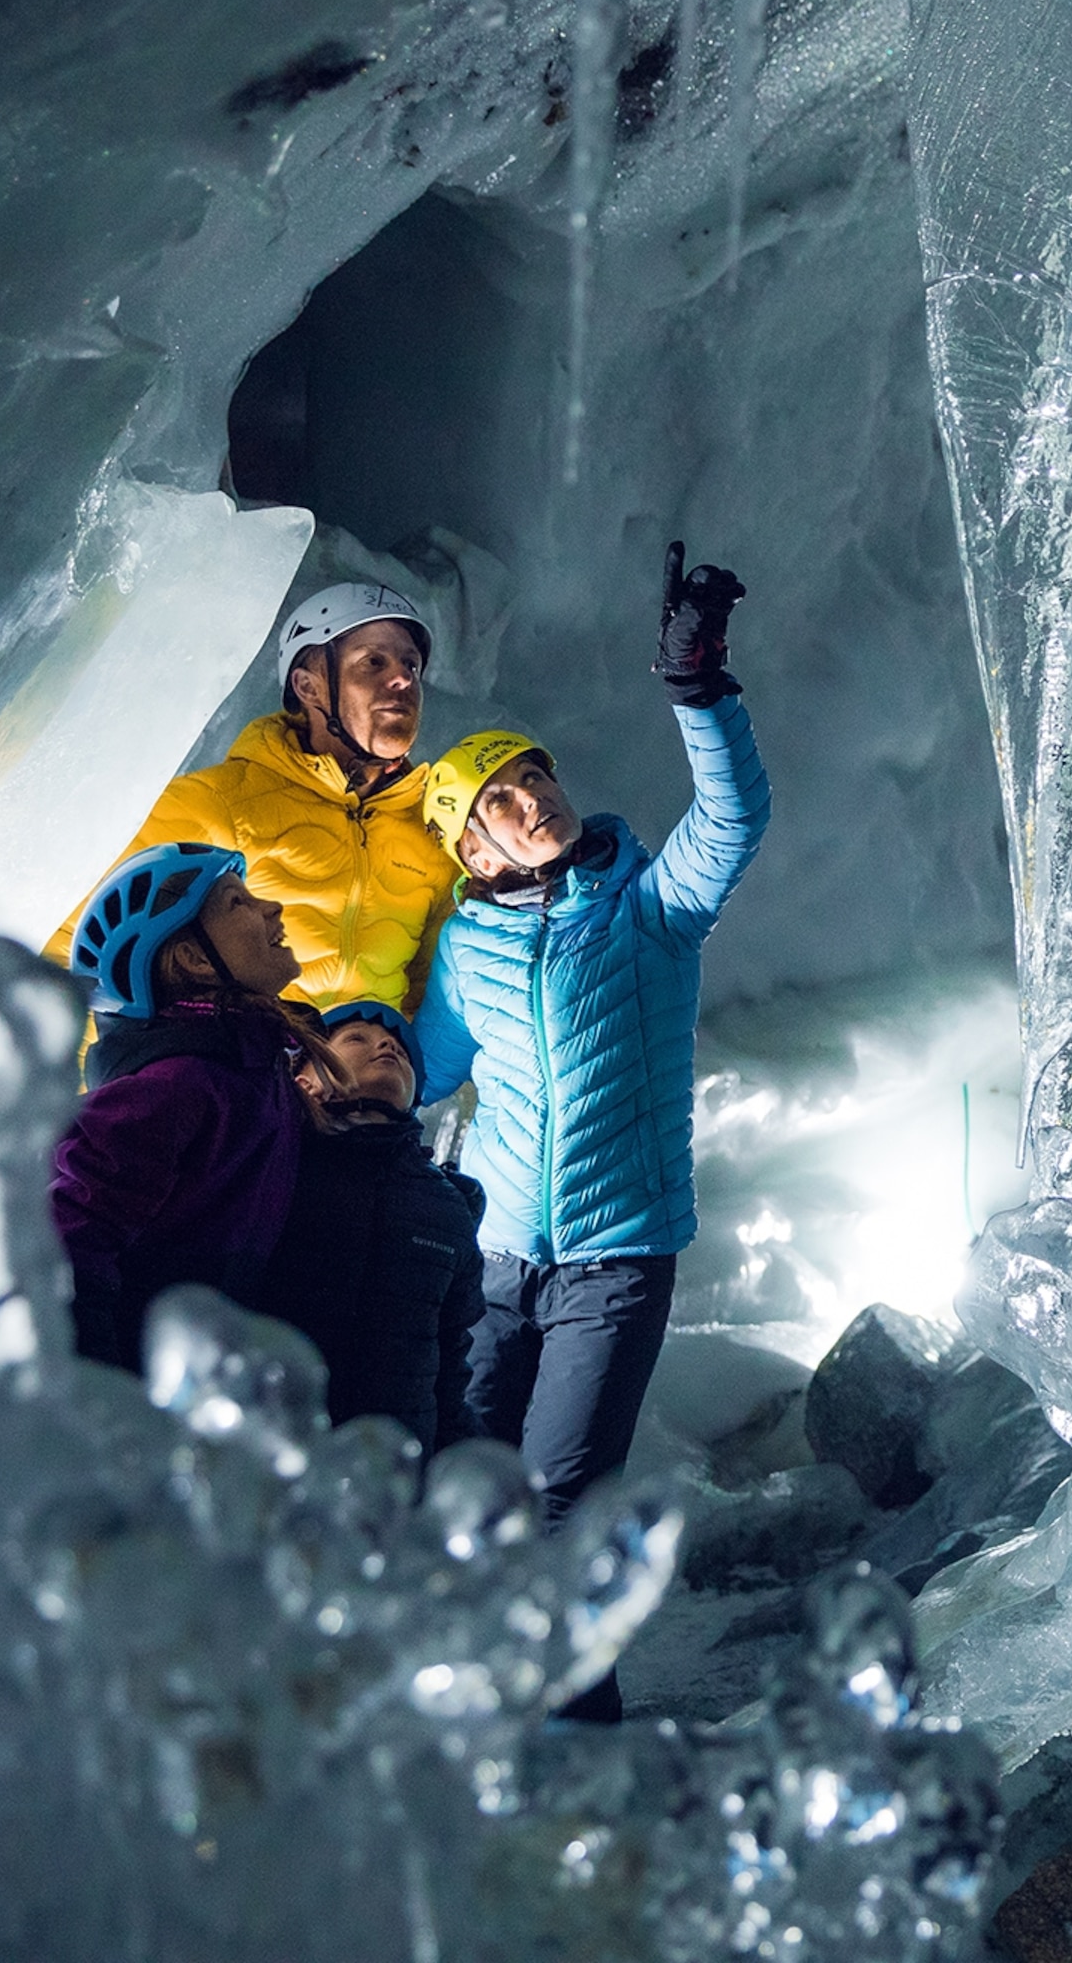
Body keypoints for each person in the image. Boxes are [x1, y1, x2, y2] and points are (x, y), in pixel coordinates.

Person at [414, 545, 767, 1717]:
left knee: (562, 1507)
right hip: (497, 1262)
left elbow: (733, 817)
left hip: (616, 1264)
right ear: (475, 848)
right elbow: (419, 1070)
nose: (533, 799)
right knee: (468, 1500)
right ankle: (496, 1737)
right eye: (501, 800)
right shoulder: (467, 950)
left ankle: (584, 1766)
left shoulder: (649, 911)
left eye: (535, 775)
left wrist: (697, 687)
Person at [48, 583, 466, 1011]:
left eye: (411, 666)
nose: (401, 679)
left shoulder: (434, 832)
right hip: (244, 1072)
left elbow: (433, 997)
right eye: (372, 662)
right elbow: (87, 951)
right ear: (309, 687)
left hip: (364, 1074)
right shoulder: (216, 805)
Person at [49, 842, 334, 1373]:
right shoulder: (173, 1088)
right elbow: (68, 1243)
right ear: (195, 959)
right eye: (236, 904)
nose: (270, 909)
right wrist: (103, 1393)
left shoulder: (254, 1070)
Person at [245, 1001, 490, 1453]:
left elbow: (450, 1364)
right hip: (269, 1452)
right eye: (355, 1039)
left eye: (397, 1046)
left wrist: (458, 1456)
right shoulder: (270, 1163)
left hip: (390, 1472)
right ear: (306, 1081)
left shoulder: (447, 1206)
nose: (384, 1045)